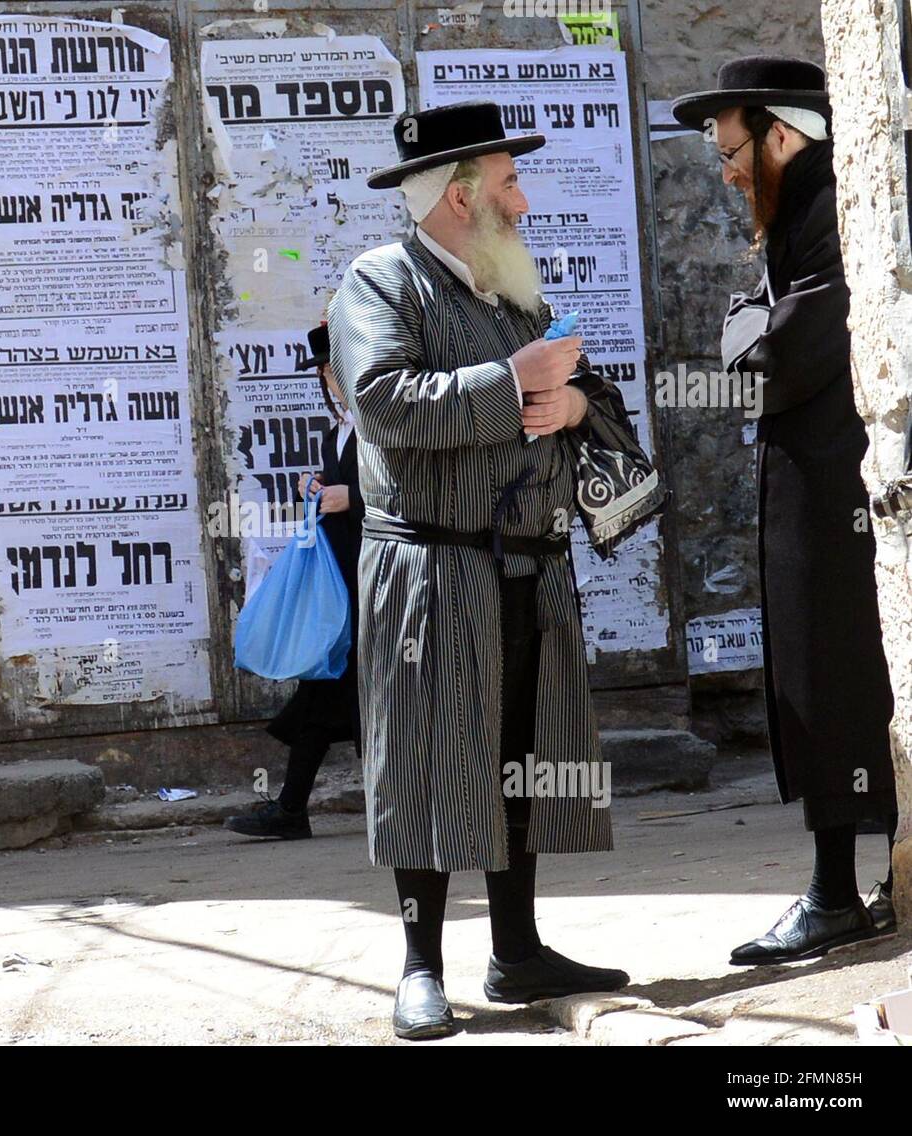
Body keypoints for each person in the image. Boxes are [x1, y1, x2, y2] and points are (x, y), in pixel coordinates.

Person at [327, 101, 633, 1040]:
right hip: (431, 572)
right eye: (508, 183)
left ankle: (517, 950)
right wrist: (516, 384)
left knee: (523, 763)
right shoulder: (378, 283)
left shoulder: (512, 290)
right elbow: (383, 405)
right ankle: (421, 966)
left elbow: (589, 390)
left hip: (530, 570)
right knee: (428, 763)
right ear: (461, 196)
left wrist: (575, 405)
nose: (524, 199)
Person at [672, 55, 899, 965]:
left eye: (731, 148)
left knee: (842, 673)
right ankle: (842, 883)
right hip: (811, 481)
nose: (725, 170)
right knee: (820, 669)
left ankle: (840, 892)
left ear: (781, 132)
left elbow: (780, 352)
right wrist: (752, 331)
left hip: (845, 484)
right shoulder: (792, 216)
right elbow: (753, 338)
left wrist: (752, 333)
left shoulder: (834, 210)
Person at [225, 324, 364, 840]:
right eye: (326, 372)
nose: (331, 380)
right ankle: (292, 810)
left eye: (338, 368)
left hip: (377, 584)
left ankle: (300, 810)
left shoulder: (381, 429)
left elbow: (418, 494)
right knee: (327, 690)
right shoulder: (339, 432)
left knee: (355, 696)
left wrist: (355, 498)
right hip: (340, 590)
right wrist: (322, 487)